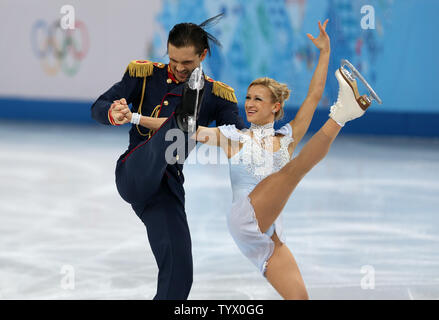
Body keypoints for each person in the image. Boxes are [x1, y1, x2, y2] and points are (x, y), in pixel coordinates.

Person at [129, 19, 380, 299]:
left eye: (258, 99)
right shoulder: (232, 137)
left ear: (276, 107)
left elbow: (313, 96)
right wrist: (135, 117)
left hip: (268, 233)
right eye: (248, 97)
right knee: (293, 172)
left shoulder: (287, 137)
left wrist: (324, 52)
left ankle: (343, 111)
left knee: (300, 298)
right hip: (245, 217)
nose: (249, 103)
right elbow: (180, 126)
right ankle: (342, 115)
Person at [90, 14, 246, 300]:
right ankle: (181, 119)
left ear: (203, 55)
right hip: (134, 171)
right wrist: (112, 112)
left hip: (166, 187)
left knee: (180, 274)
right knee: (172, 133)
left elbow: (237, 133)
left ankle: (182, 120)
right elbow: (98, 106)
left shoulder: (218, 95)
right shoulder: (144, 75)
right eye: (173, 60)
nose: (178, 67)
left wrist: (259, 133)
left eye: (187, 63)